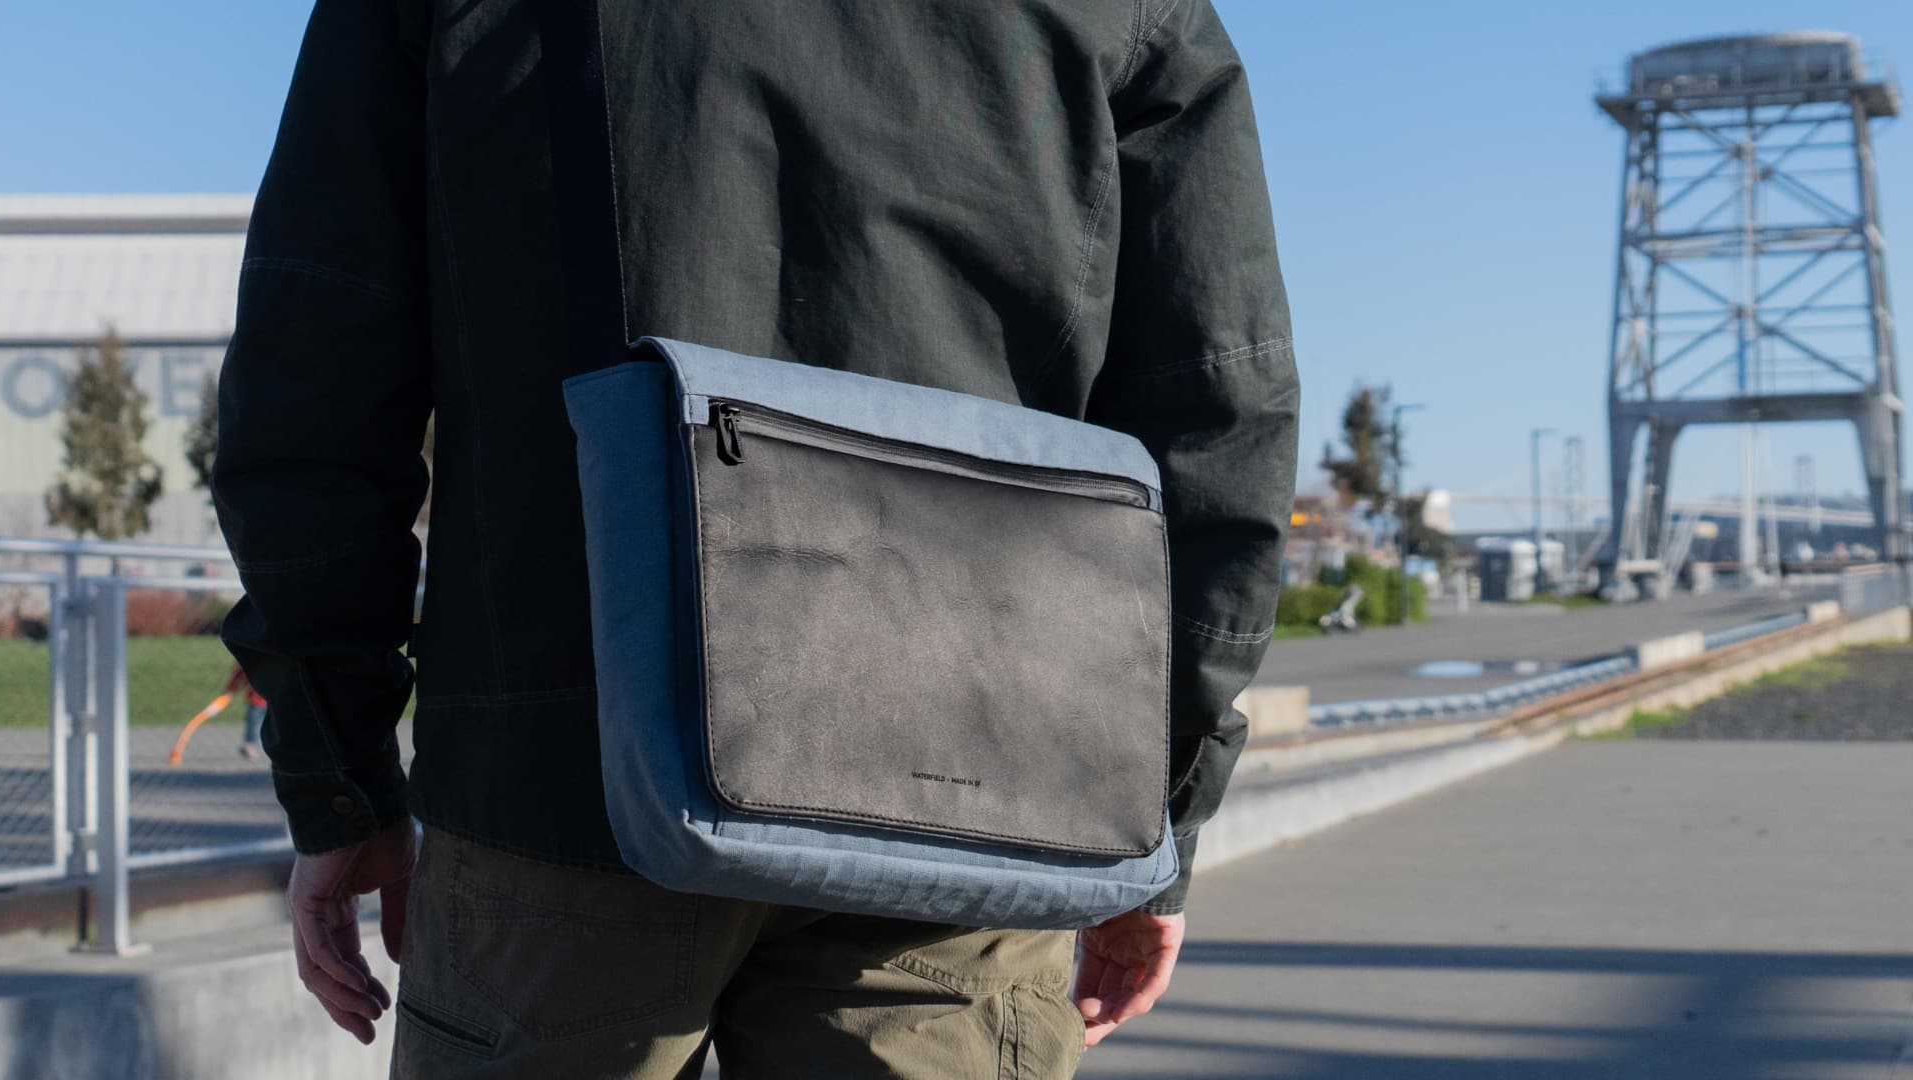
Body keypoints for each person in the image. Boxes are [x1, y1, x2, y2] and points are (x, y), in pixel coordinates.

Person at [213, 1, 1298, 1076]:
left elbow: (317, 371)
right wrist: (1154, 821)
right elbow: (1220, 410)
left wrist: (338, 770)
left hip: (558, 772)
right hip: (967, 780)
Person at [223, 665, 268, 761]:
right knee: (253, 723)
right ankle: (250, 746)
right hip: (256, 701)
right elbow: (237, 675)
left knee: (274, 725)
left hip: (274, 701)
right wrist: (230, 689)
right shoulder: (247, 661)